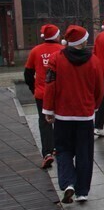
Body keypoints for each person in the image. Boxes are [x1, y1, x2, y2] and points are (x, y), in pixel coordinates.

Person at [42, 25, 104, 204]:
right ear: (84, 41)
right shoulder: (94, 61)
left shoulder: (56, 59)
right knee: (84, 153)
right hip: (84, 116)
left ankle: (68, 182)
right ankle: (82, 191)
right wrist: (94, 107)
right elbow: (100, 88)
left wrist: (48, 110)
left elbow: (50, 85)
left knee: (63, 150)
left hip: (63, 115)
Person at [24, 24, 64, 169]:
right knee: (60, 121)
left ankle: (47, 153)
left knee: (44, 122)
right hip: (60, 93)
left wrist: (34, 87)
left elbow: (28, 74)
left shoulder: (35, 51)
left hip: (42, 93)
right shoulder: (62, 51)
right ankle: (59, 148)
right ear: (56, 36)